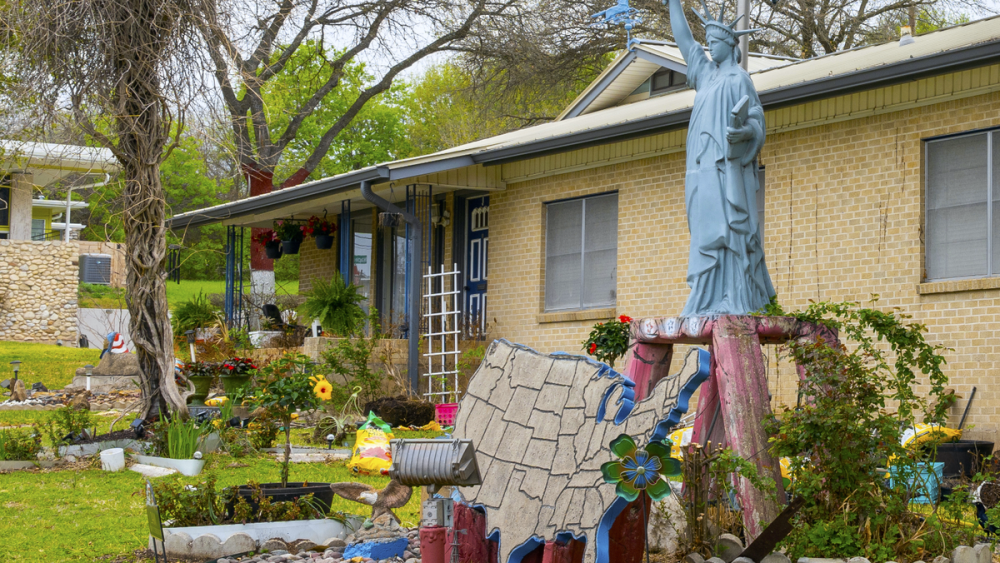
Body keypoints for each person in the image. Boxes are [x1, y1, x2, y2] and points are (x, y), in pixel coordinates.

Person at [668, 0, 776, 316]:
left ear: (729, 45)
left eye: (714, 43)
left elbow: (756, 119)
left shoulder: (739, 79)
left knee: (729, 229)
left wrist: (743, 134)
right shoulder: (704, 74)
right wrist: (674, 3)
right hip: (700, 166)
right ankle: (704, 296)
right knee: (703, 231)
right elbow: (684, 41)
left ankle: (734, 296)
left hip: (726, 168)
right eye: (709, 43)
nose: (709, 49)